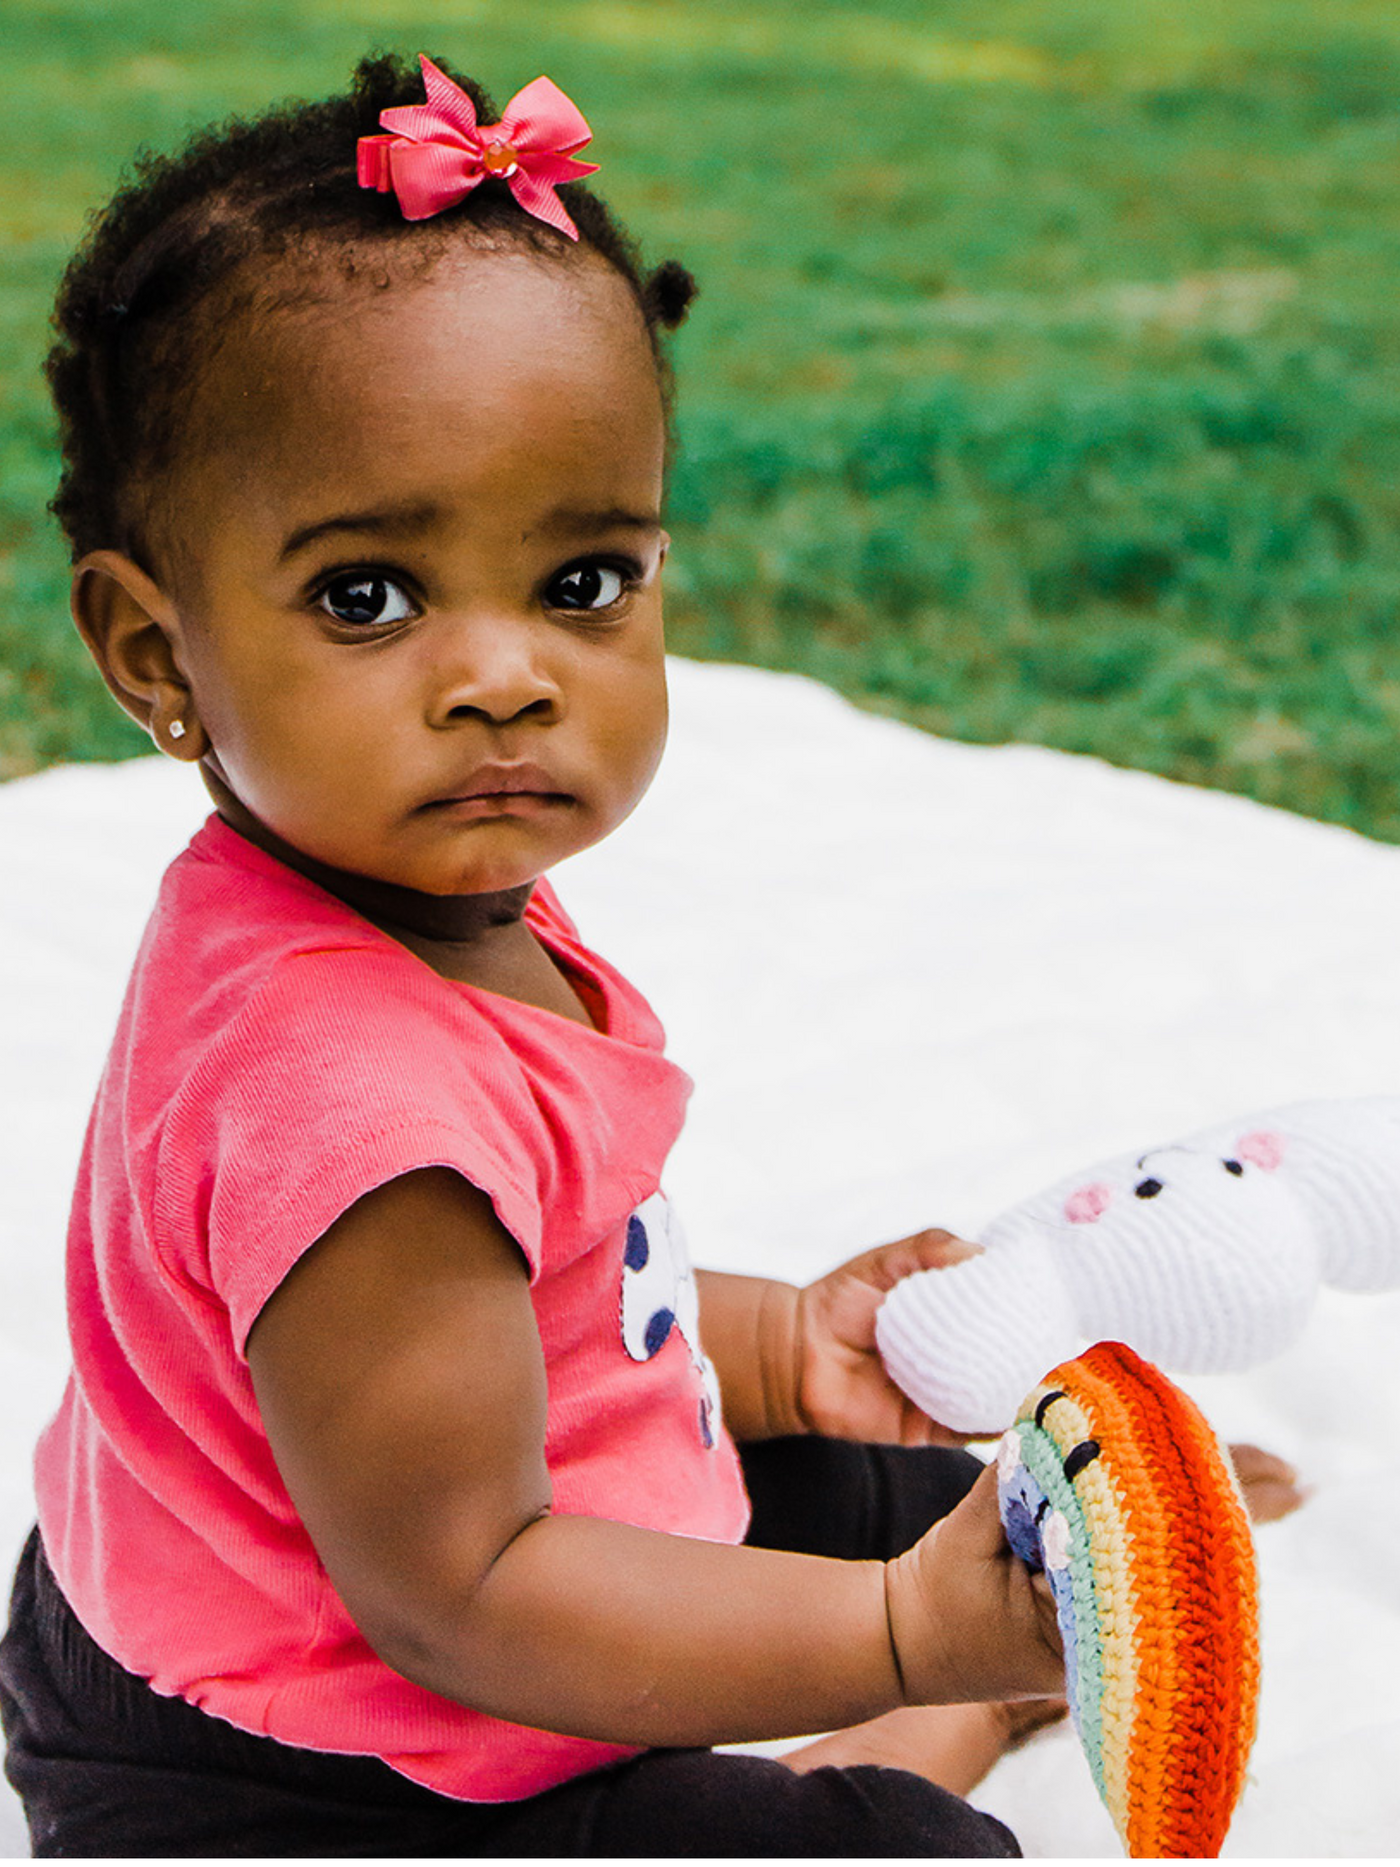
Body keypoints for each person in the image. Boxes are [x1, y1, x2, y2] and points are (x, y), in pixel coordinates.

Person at [0, 52, 1294, 1858]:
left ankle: (969, 1607)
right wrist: (905, 1630)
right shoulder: (350, 1096)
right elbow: (469, 1595)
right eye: (368, 594)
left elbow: (577, 1289)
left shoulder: (411, 867)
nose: (506, 672)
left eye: (584, 579)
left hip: (271, 1546)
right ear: (153, 652)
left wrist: (784, 1350)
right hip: (309, 1765)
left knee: (883, 1478)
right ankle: (950, 1711)